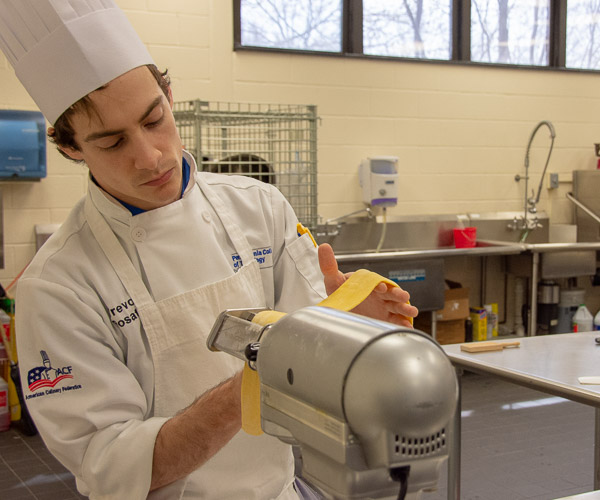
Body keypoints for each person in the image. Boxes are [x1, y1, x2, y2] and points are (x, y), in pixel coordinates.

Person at [0, 1, 417, 498]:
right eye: (112, 143)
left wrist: (355, 333)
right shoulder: (59, 285)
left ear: (169, 95)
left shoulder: (258, 207)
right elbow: (109, 465)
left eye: (154, 119)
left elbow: (318, 377)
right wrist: (260, 377)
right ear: (70, 147)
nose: (150, 156)